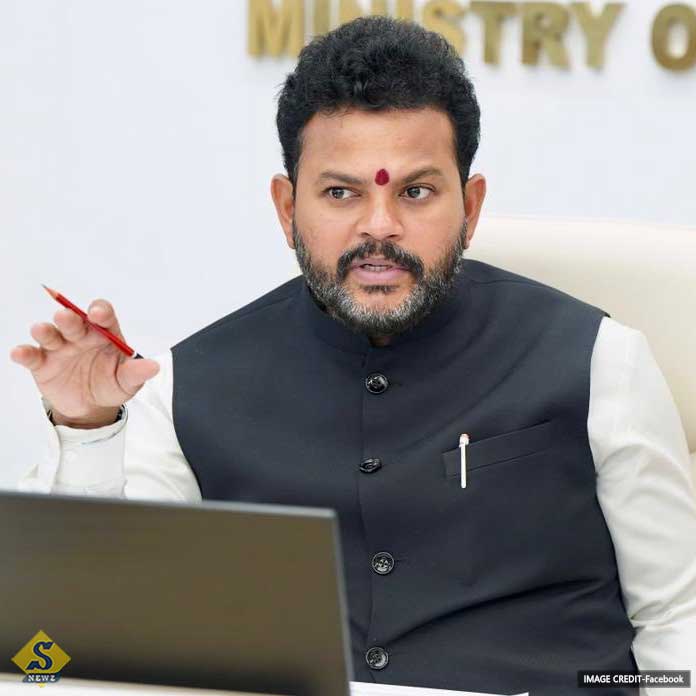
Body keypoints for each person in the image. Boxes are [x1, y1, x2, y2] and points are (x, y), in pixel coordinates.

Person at [9, 15, 696, 696]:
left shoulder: (600, 360)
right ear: (287, 208)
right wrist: (88, 429)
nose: (379, 227)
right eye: (342, 193)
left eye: (415, 192)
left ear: (471, 205)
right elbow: (91, 632)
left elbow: (678, 616)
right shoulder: (188, 387)